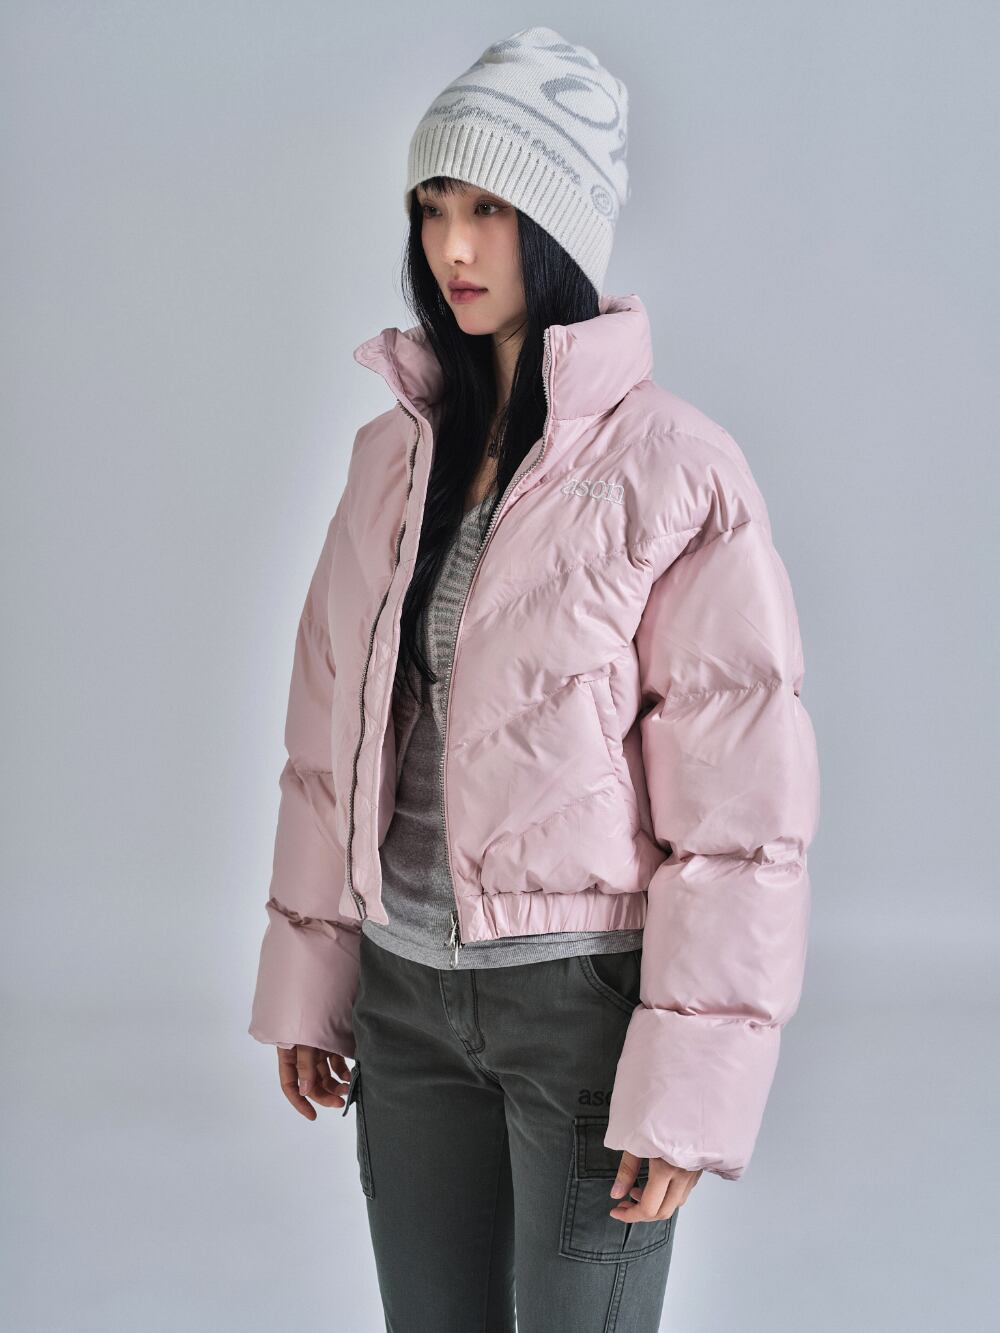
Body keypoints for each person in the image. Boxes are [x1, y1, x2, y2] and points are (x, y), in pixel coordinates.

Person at [248, 25, 821, 1333]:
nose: (453, 246)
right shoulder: (391, 459)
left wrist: (693, 1082)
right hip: (401, 1000)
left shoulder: (675, 471)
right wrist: (313, 971)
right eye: (433, 208)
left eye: (490, 210)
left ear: (559, 228)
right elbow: (329, 730)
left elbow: (741, 818)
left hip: (578, 1008)